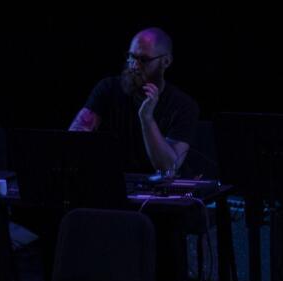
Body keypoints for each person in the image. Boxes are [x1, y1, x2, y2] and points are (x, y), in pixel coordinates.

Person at [70, 27, 199, 175]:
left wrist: (147, 118)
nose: (134, 66)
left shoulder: (183, 105)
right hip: (110, 183)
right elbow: (73, 142)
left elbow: (168, 167)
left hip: (158, 193)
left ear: (166, 61)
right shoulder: (107, 89)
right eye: (131, 57)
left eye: (143, 60)